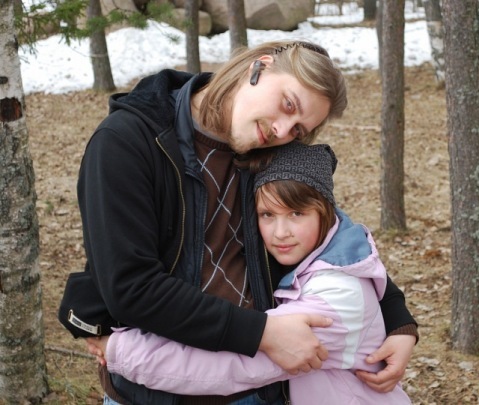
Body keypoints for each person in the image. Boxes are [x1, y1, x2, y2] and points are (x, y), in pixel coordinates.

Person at [78, 39, 417, 404]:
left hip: (256, 390)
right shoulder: (130, 141)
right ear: (261, 65)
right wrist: (263, 333)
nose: (283, 130)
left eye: (298, 129)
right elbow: (132, 287)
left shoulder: (269, 150)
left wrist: (397, 318)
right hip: (154, 387)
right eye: (288, 104)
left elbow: (330, 236)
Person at [89, 142, 413, 404]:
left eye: (296, 213)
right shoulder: (321, 256)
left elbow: (230, 367)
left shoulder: (334, 299)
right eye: (267, 214)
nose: (280, 232)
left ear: (325, 212)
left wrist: (120, 350)